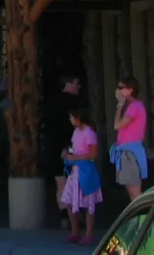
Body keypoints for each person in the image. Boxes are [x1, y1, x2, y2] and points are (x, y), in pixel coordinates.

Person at [44, 74, 85, 226]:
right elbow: (71, 128)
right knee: (74, 183)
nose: (79, 86)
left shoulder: (51, 102)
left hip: (53, 146)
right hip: (70, 147)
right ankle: (75, 217)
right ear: (68, 84)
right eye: (76, 83)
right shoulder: (72, 104)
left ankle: (65, 218)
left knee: (60, 183)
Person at [61, 107, 102, 246]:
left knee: (88, 204)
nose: (71, 120)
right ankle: (75, 231)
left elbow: (93, 154)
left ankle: (89, 234)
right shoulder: (76, 131)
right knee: (69, 201)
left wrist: (76, 157)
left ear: (79, 117)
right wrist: (67, 152)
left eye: (72, 117)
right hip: (75, 171)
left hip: (86, 171)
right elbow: (74, 147)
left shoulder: (90, 133)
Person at [111, 76, 148, 202]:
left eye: (121, 88)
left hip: (130, 153)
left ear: (130, 90)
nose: (118, 90)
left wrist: (120, 105)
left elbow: (117, 125)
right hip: (125, 152)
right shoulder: (132, 106)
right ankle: (139, 219)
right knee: (131, 191)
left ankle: (145, 219)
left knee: (135, 191)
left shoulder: (135, 106)